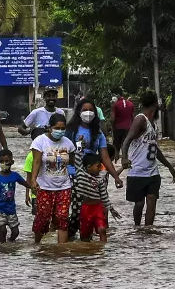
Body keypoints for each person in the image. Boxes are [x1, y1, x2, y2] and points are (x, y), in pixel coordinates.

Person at [65, 98, 123, 237]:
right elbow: (64, 150)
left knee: (93, 207)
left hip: (92, 175)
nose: (88, 113)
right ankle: (69, 240)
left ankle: (89, 242)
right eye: (85, 110)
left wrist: (116, 176)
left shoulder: (98, 134)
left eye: (91, 110)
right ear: (78, 112)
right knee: (76, 213)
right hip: (74, 176)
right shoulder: (71, 131)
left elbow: (105, 157)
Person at [121, 91, 175, 227]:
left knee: (152, 200)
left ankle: (149, 231)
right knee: (139, 203)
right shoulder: (140, 120)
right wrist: (124, 158)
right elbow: (127, 140)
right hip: (137, 172)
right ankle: (137, 228)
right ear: (154, 105)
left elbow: (154, 149)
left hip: (153, 173)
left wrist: (169, 166)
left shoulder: (153, 124)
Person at [30, 113, 76, 244]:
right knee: (43, 218)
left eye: (63, 129)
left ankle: (61, 250)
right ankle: (37, 245)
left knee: (62, 218)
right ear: (50, 127)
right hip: (45, 187)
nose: (60, 131)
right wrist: (33, 180)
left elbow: (72, 163)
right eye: (57, 128)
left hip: (64, 187)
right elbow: (37, 161)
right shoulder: (40, 141)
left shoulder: (68, 143)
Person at [74, 145, 121, 242]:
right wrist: (80, 145)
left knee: (102, 229)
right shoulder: (81, 173)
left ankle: (103, 252)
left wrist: (111, 209)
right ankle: (89, 252)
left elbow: (104, 196)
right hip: (86, 208)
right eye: (98, 166)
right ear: (88, 167)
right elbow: (78, 159)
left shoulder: (100, 179)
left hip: (97, 207)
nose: (100, 169)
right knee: (85, 235)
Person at [0, 149, 32, 243]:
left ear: (12, 162)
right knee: (2, 230)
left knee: (15, 232)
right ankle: (2, 249)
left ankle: (10, 242)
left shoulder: (15, 176)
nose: (4, 163)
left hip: (11, 208)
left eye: (7, 161)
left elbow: (25, 184)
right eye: (2, 161)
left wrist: (34, 188)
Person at [24, 128, 47, 215]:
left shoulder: (49, 154)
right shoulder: (30, 157)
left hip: (48, 190)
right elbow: (28, 178)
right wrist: (27, 195)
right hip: (36, 194)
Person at [110, 91, 135, 162]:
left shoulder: (115, 105)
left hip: (117, 128)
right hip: (128, 128)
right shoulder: (130, 104)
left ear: (118, 95)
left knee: (116, 145)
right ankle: (125, 159)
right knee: (126, 144)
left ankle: (115, 160)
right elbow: (133, 117)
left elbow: (112, 118)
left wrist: (112, 126)